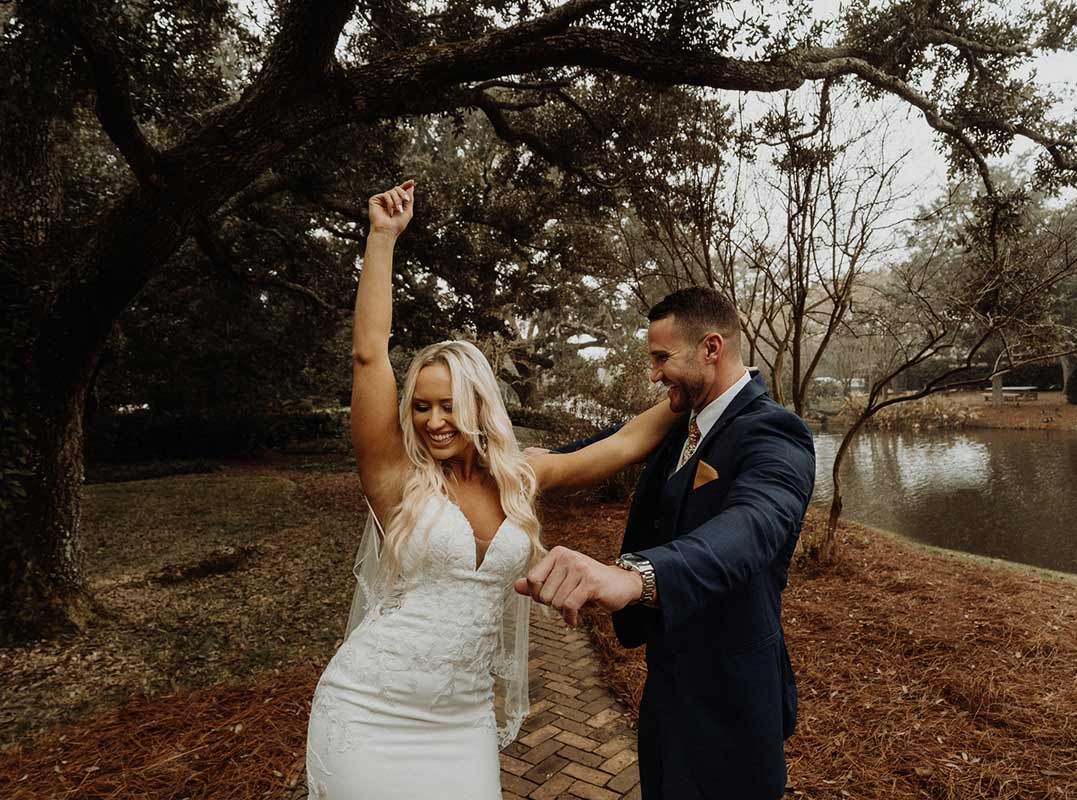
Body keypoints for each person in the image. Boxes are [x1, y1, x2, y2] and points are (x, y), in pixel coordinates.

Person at [305, 181, 680, 799]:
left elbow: (621, 446)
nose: (432, 421)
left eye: (447, 405)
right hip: (369, 707)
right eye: (421, 407)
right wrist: (381, 240)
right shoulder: (396, 479)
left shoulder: (520, 476)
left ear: (479, 404)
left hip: (461, 720)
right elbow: (369, 356)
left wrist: (701, 389)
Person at [516, 286, 816, 800]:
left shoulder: (775, 433)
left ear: (712, 348)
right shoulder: (681, 420)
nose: (654, 373)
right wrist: (511, 462)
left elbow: (753, 526)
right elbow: (596, 448)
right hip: (668, 686)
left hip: (733, 700)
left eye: (661, 358)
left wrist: (637, 577)